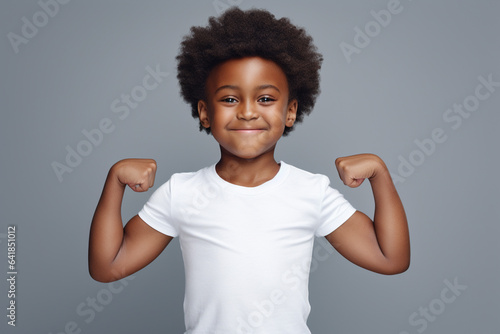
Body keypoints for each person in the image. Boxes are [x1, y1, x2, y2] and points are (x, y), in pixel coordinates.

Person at [88, 7, 410, 333]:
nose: (247, 113)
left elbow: (390, 258)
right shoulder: (182, 193)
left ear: (290, 111)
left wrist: (379, 175)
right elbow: (107, 266)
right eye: (229, 99)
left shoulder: (310, 191)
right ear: (204, 112)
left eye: (266, 98)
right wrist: (115, 183)